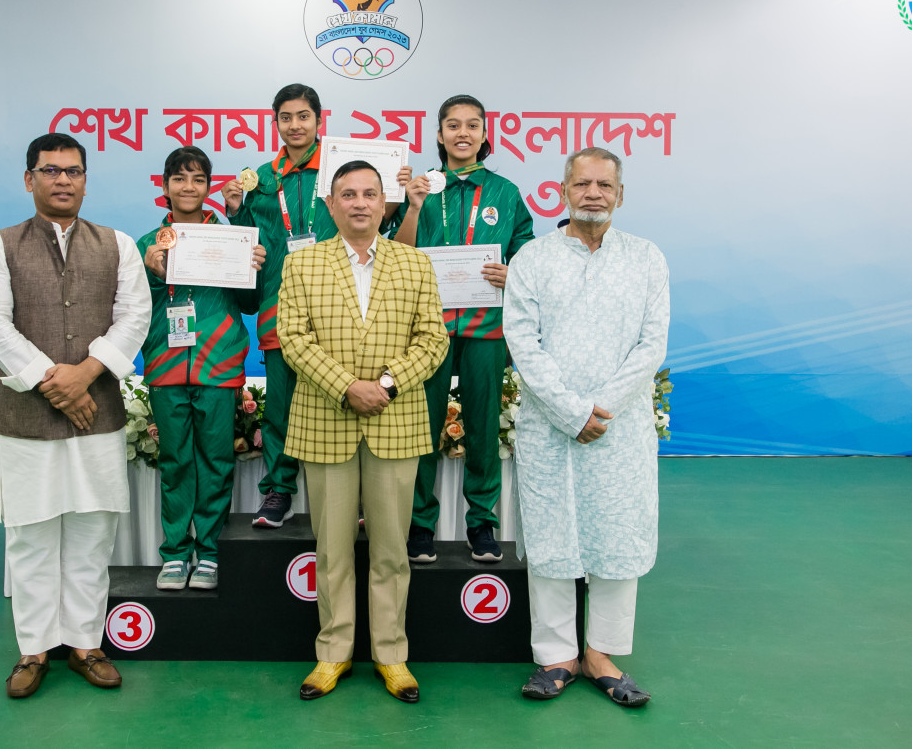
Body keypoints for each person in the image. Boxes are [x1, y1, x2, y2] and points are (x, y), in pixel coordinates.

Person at [0, 132, 152, 699]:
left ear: (85, 181)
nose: (63, 180)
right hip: (27, 419)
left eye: (73, 171)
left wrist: (86, 373)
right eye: (50, 170)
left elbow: (135, 317)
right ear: (29, 179)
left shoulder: (118, 245)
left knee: (92, 533)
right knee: (30, 536)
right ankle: (33, 649)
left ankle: (85, 644)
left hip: (97, 414)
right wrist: (55, 381)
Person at [502, 147, 669, 707]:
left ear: (620, 194)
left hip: (620, 427)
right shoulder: (533, 258)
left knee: (618, 537)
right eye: (582, 184)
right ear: (563, 191)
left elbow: (652, 343)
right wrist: (572, 413)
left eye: (604, 185)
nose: (593, 193)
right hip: (551, 426)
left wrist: (603, 408)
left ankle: (602, 655)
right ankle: (556, 657)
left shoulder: (646, 258)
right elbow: (522, 342)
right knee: (553, 538)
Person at [277, 160, 447, 703]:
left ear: (383, 202)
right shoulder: (301, 264)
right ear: (330, 205)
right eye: (347, 194)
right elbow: (293, 338)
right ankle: (333, 653)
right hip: (325, 422)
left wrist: (387, 385)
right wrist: (347, 386)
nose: (359, 203)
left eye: (370, 194)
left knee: (392, 550)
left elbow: (433, 340)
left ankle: (392, 655)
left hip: (396, 423)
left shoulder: (415, 263)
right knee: (332, 551)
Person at [393, 94, 534, 564]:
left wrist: (514, 273)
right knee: (421, 426)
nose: (463, 133)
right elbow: (397, 252)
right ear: (439, 135)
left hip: (486, 325)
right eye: (453, 125)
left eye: (473, 125)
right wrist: (413, 206)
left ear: (485, 134)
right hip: (427, 327)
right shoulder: (420, 189)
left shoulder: (505, 192)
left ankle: (482, 522)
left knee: (482, 426)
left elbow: (527, 252)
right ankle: (419, 523)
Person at [138, 146, 264, 591]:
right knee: (175, 462)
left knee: (215, 459)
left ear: (209, 187)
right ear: (165, 186)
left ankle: (209, 552)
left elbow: (250, 303)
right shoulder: (146, 244)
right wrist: (152, 273)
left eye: (197, 179)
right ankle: (175, 553)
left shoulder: (234, 239)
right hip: (165, 362)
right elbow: (133, 308)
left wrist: (253, 268)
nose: (188, 187)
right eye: (179, 178)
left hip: (218, 364)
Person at [231, 84, 340, 528]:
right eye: (286, 117)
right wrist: (236, 211)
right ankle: (278, 490)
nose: (295, 125)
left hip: (337, 308)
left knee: (339, 402)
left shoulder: (339, 168)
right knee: (280, 408)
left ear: (319, 120)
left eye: (303, 116)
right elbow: (248, 244)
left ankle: (344, 494)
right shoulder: (261, 179)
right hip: (280, 305)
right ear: (275, 122)